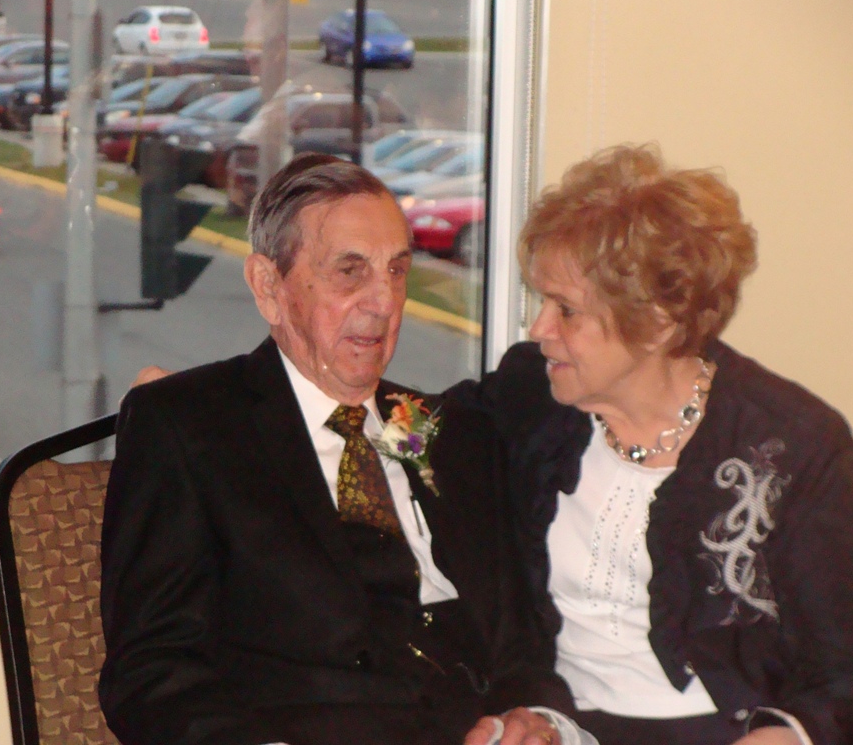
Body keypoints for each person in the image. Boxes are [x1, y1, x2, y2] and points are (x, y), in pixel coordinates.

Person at [98, 153, 570, 745]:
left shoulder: (441, 429)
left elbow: (522, 640)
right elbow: (149, 673)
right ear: (268, 287)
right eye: (351, 272)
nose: (384, 302)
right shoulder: (189, 427)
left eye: (397, 271)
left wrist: (543, 721)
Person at [460, 143, 853, 745]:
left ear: (658, 322)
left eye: (566, 310)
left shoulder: (795, 448)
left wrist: (792, 736)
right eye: (541, 301)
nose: (539, 329)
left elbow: (850, 674)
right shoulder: (528, 399)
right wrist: (535, 715)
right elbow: (411, 436)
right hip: (561, 727)